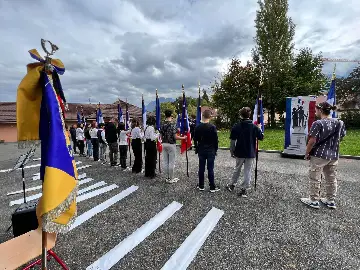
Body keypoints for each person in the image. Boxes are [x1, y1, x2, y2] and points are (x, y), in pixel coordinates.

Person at [301, 102, 346, 209]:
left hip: (318, 155)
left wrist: (307, 153)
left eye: (316, 110)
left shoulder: (318, 123)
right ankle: (330, 200)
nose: (315, 112)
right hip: (333, 155)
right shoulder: (339, 123)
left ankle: (314, 200)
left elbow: (312, 141)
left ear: (320, 111)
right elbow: (342, 136)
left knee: (315, 178)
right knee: (331, 178)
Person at [227, 107, 264, 197]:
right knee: (247, 171)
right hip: (250, 153)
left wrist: (232, 151)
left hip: (239, 152)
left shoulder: (236, 126)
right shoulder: (254, 127)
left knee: (237, 169)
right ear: (249, 115)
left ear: (241, 115)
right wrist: (260, 129)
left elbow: (232, 141)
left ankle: (232, 185)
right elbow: (261, 137)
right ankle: (244, 189)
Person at [194, 110, 220, 192]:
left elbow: (195, 139)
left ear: (202, 116)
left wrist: (197, 148)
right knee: (210, 168)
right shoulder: (212, 127)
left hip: (201, 149)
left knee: (201, 168)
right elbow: (216, 140)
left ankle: (201, 185)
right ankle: (212, 186)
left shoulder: (198, 127)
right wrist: (215, 149)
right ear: (210, 117)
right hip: (211, 150)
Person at [160, 109, 187, 183]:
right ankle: (171, 178)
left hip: (164, 143)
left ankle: (167, 177)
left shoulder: (162, 124)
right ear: (171, 115)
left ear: (165, 115)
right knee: (171, 162)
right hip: (171, 144)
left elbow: (161, 135)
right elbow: (175, 137)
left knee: (165, 162)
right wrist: (183, 138)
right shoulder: (173, 125)